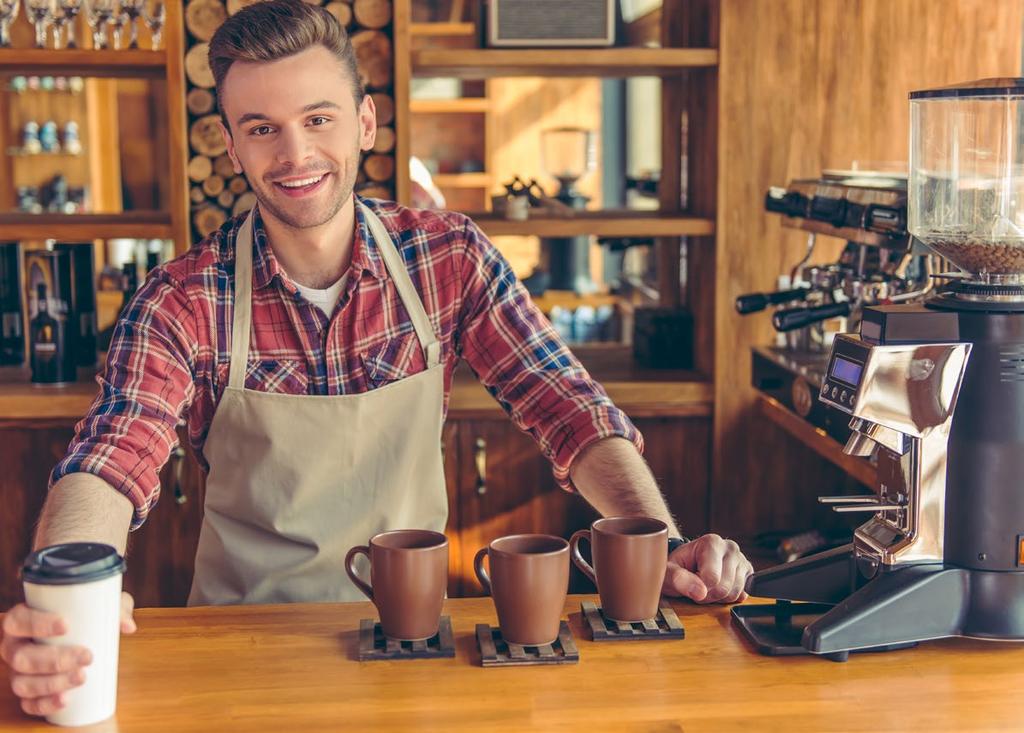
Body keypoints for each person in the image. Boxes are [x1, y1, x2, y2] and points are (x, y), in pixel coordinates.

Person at [0, 0, 753, 718]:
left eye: (317, 119)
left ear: (365, 123)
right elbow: (110, 456)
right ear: (229, 146)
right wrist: (64, 589)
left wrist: (664, 542)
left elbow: (566, 406)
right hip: (243, 650)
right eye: (261, 128)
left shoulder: (448, 258)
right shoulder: (181, 298)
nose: (294, 154)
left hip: (416, 643)